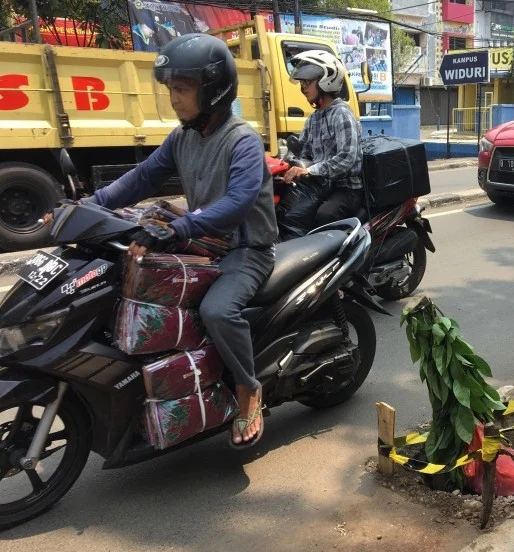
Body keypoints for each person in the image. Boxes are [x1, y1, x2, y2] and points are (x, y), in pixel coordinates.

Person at [82, 34, 278, 448]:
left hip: (245, 250)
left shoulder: (241, 139)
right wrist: (88, 206)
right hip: (204, 242)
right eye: (171, 89)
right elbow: (143, 177)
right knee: (134, 285)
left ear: (213, 89)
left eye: (182, 89)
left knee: (218, 312)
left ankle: (247, 388)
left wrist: (179, 228)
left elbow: (238, 200)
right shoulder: (183, 136)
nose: (174, 98)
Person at [282, 50, 364, 227]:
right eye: (301, 82)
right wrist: (285, 166)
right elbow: (302, 151)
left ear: (326, 81)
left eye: (307, 82)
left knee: (324, 216)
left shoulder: (341, 114)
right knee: (289, 210)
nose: (303, 87)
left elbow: (346, 158)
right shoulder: (314, 118)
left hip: (346, 189)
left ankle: (344, 254)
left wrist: (310, 170)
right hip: (322, 186)